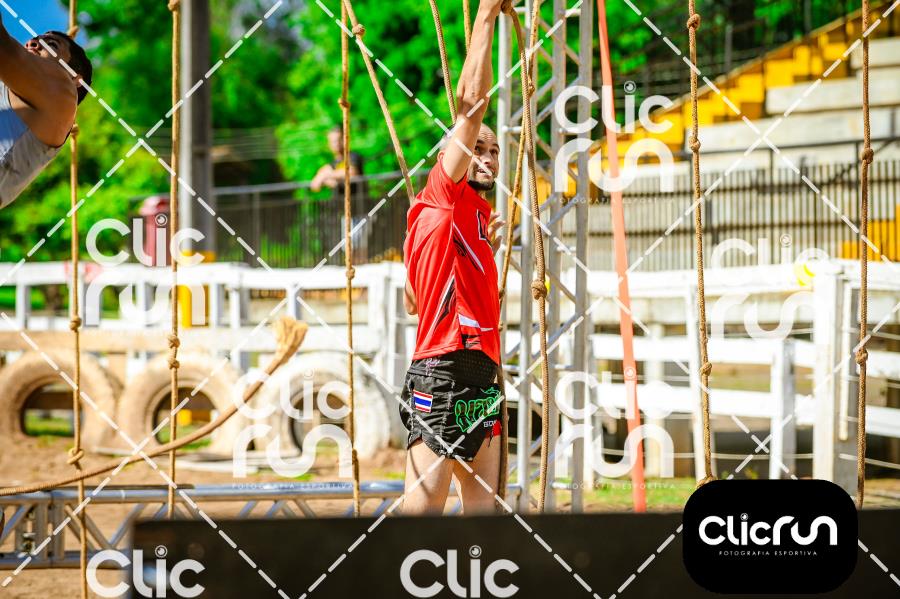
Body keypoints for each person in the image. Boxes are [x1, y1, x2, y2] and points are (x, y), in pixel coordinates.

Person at [400, 0, 506, 515]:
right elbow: (471, 107)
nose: (486, 157)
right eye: (477, 148)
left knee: (485, 520)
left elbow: (413, 300)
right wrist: (486, 15)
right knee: (421, 519)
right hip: (441, 369)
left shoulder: (474, 219)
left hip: (482, 373)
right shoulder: (441, 195)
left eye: (493, 151)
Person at [0, 22, 92, 208]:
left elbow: (5, 49)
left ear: (76, 79)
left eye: (51, 44)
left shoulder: (63, 94)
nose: (32, 43)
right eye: (33, 40)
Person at [311, 126, 368, 257]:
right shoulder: (333, 163)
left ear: (344, 139)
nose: (335, 144)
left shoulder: (353, 156)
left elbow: (351, 172)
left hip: (360, 210)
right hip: (345, 213)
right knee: (348, 250)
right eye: (332, 141)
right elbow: (315, 184)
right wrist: (329, 177)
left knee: (359, 249)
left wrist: (329, 175)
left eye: (338, 140)